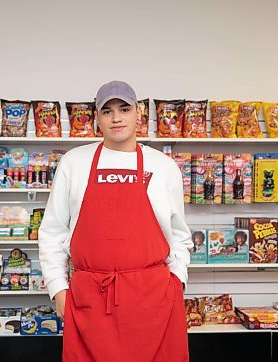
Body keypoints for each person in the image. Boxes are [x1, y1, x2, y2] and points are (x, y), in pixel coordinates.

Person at [38, 80, 193, 361]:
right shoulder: (74, 162)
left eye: (124, 109)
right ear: (97, 118)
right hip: (90, 302)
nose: (116, 118)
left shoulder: (163, 166)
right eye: (107, 111)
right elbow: (52, 230)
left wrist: (176, 281)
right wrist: (58, 288)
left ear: (138, 113)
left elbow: (180, 234)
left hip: (154, 299)